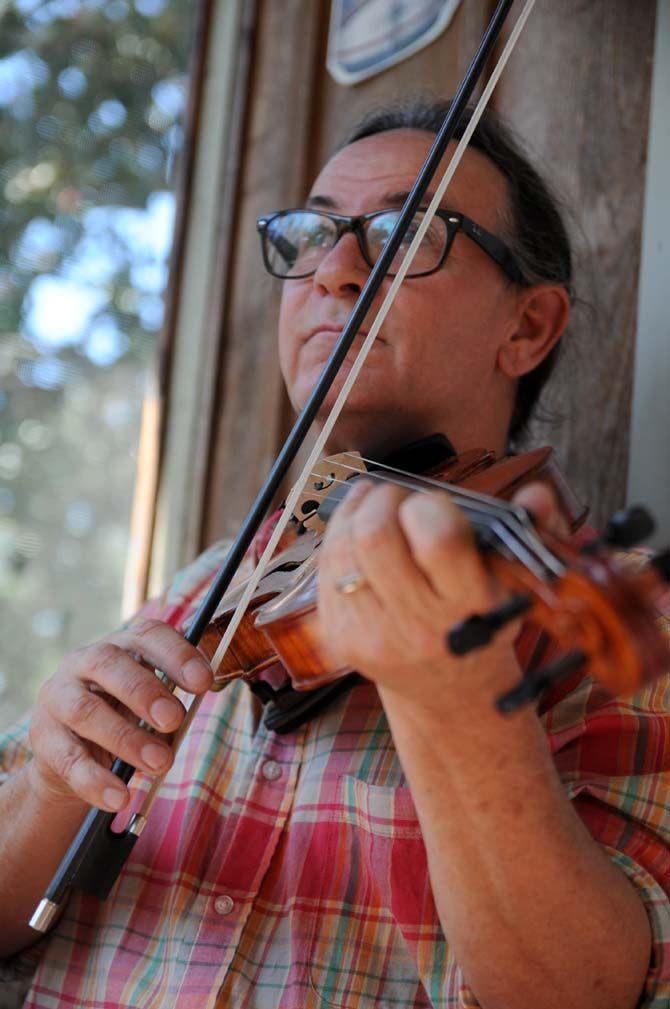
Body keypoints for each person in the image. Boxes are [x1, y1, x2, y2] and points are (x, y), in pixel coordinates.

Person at [1, 98, 668, 1009]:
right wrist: (48, 783)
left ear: (528, 329)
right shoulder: (214, 580)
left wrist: (454, 701)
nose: (336, 270)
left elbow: (589, 988)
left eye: (405, 230)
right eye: (315, 232)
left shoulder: (611, 610)